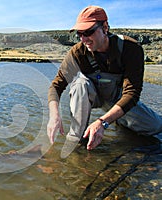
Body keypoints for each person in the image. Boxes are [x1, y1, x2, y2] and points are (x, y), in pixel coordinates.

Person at [47, 5, 162, 157]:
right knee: (80, 84)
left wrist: (103, 122)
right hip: (91, 96)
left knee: (156, 127)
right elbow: (56, 86)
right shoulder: (77, 52)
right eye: (79, 34)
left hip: (118, 99)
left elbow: (132, 93)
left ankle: (119, 120)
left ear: (105, 27)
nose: (83, 39)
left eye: (88, 32)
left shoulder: (131, 49)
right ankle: (76, 139)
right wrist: (54, 116)